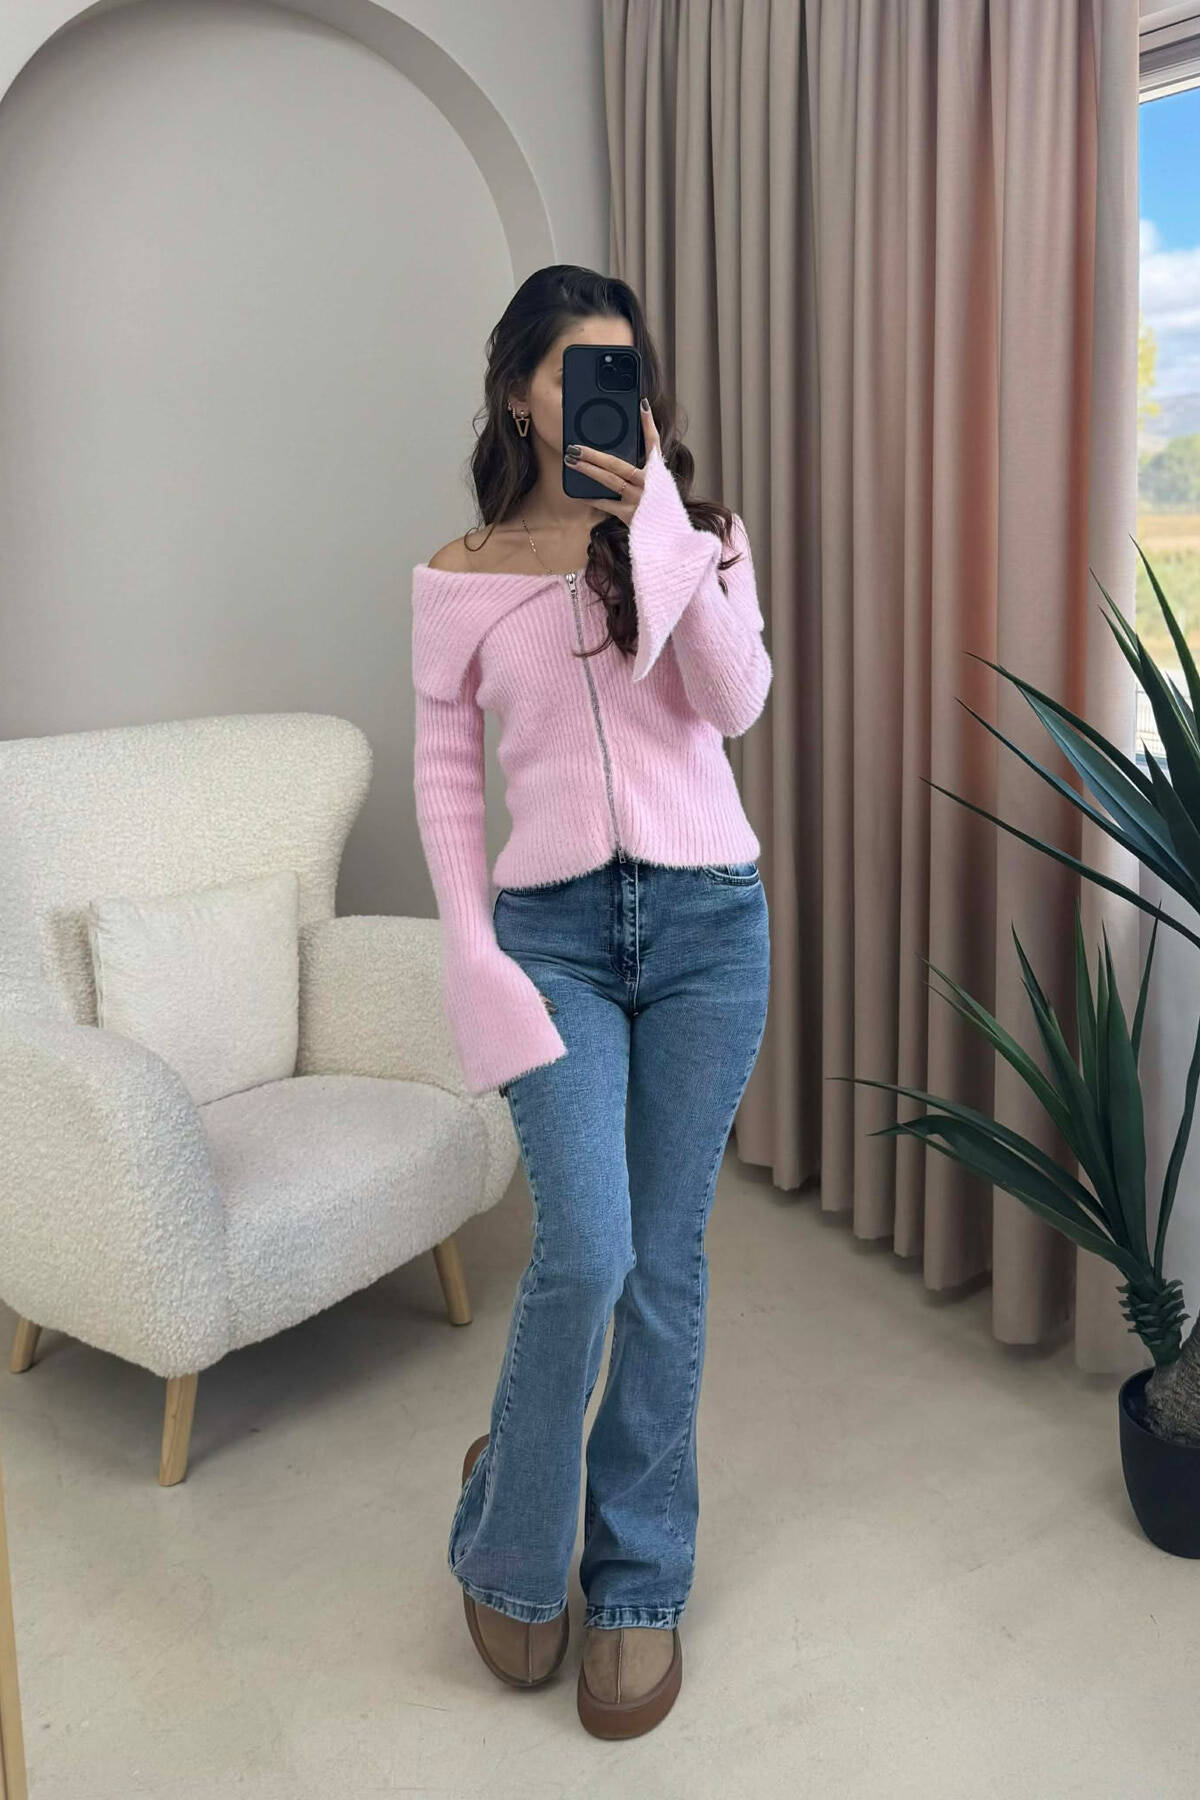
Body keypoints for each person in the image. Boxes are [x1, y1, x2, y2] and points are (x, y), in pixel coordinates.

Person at [411, 265, 771, 1739]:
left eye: (628, 367)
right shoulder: (460, 573)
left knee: (666, 1265)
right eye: (577, 368)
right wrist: (470, 950)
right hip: (551, 937)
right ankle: (510, 1530)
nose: (610, 391)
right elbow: (448, 779)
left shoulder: (700, 535)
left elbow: (735, 702)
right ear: (521, 392)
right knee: (588, 1251)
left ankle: (636, 1583)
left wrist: (660, 525)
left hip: (707, 927)